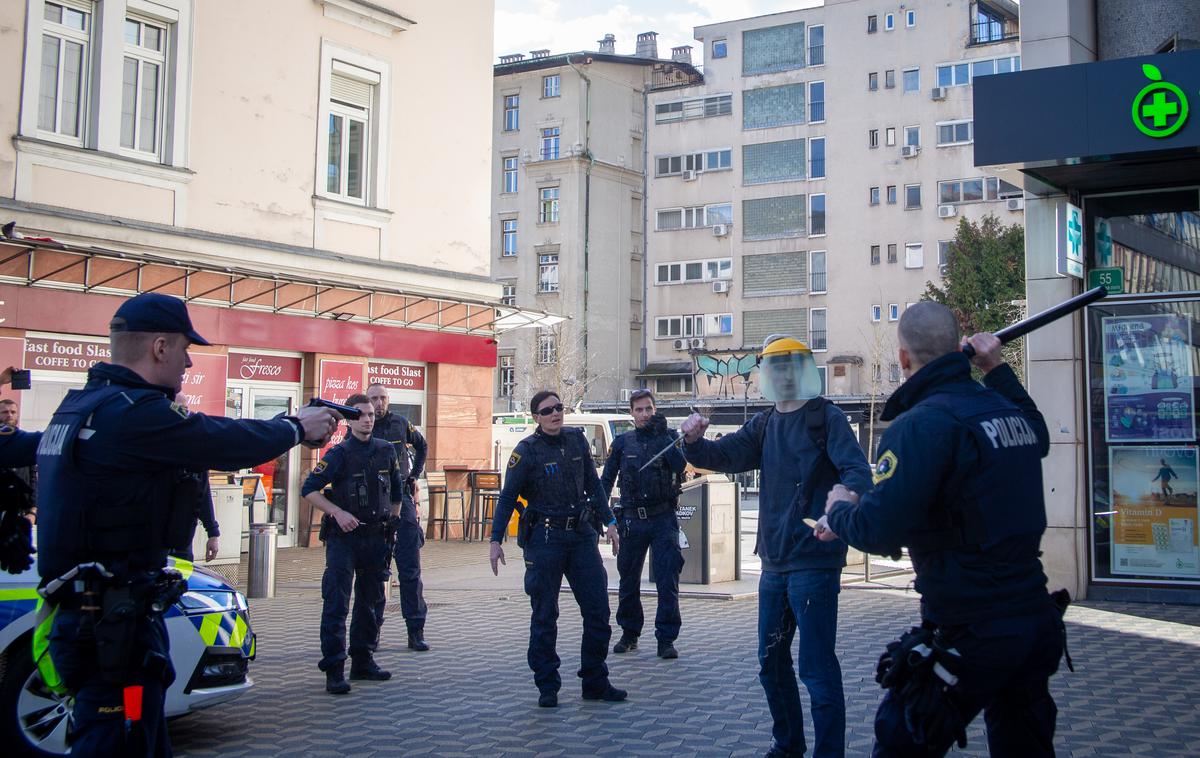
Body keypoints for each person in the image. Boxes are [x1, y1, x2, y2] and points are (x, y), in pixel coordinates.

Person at [36, 292, 340, 756]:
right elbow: (213, 439)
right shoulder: (133, 414)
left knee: (136, 733)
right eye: (183, 348)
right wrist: (296, 427)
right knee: (117, 735)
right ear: (160, 347)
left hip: (99, 617)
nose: (189, 361)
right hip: (111, 625)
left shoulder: (84, 406)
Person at [817, 302, 1065, 757]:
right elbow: (1038, 434)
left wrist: (839, 510)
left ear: (904, 358)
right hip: (1034, 622)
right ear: (959, 348)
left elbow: (878, 531)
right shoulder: (1001, 410)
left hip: (975, 628)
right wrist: (996, 368)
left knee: (901, 737)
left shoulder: (921, 424)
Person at [680, 335, 872, 758]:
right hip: (774, 563)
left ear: (803, 370)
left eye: (790, 366)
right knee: (771, 665)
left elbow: (858, 471)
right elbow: (722, 456)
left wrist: (842, 502)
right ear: (767, 373)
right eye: (775, 367)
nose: (783, 374)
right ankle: (787, 746)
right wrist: (693, 440)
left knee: (817, 670)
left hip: (815, 563)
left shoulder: (827, 417)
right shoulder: (765, 423)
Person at [488, 390, 626, 708]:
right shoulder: (526, 452)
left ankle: (595, 680)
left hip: (580, 537)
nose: (555, 414)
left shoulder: (576, 440)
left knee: (598, 610)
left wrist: (610, 522)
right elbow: (508, 497)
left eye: (559, 408)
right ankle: (547, 685)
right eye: (548, 410)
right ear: (536, 416)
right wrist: (496, 540)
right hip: (545, 541)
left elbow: (594, 485)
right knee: (545, 615)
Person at [303, 393, 404, 694]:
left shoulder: (386, 451)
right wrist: (337, 511)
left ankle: (363, 660)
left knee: (371, 602)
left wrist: (392, 526)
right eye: (360, 414)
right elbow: (309, 489)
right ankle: (334, 668)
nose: (368, 419)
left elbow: (398, 494)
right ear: (349, 419)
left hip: (376, 538)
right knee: (336, 602)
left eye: (371, 414)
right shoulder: (339, 454)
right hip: (344, 539)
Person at [599, 389, 686, 659]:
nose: (645, 414)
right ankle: (629, 633)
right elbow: (605, 481)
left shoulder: (669, 437)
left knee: (667, 579)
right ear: (631, 413)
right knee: (628, 580)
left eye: (649, 408)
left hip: (663, 518)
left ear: (655, 409)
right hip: (632, 520)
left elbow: (681, 466)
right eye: (639, 410)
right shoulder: (623, 443)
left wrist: (663, 438)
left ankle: (666, 639)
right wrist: (606, 518)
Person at [365, 382, 430, 651]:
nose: (378, 404)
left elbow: (422, 446)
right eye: (374, 399)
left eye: (382, 398)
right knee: (374, 572)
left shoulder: (401, 423)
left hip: (401, 499)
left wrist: (414, 476)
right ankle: (372, 631)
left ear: (388, 400)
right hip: (373, 505)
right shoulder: (362, 425)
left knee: (410, 570)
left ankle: (415, 631)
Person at [168, 394, 220, 563]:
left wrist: (213, 533)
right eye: (178, 409)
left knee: (181, 578)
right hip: (152, 538)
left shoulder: (193, 447)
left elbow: (203, 493)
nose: (182, 415)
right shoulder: (155, 443)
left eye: (185, 410)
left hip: (181, 537)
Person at [0, 397, 37, 524]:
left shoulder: (24, 442)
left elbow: (33, 479)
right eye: (5, 412)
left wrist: (33, 511)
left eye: (13, 412)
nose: (9, 415)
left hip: (21, 512)